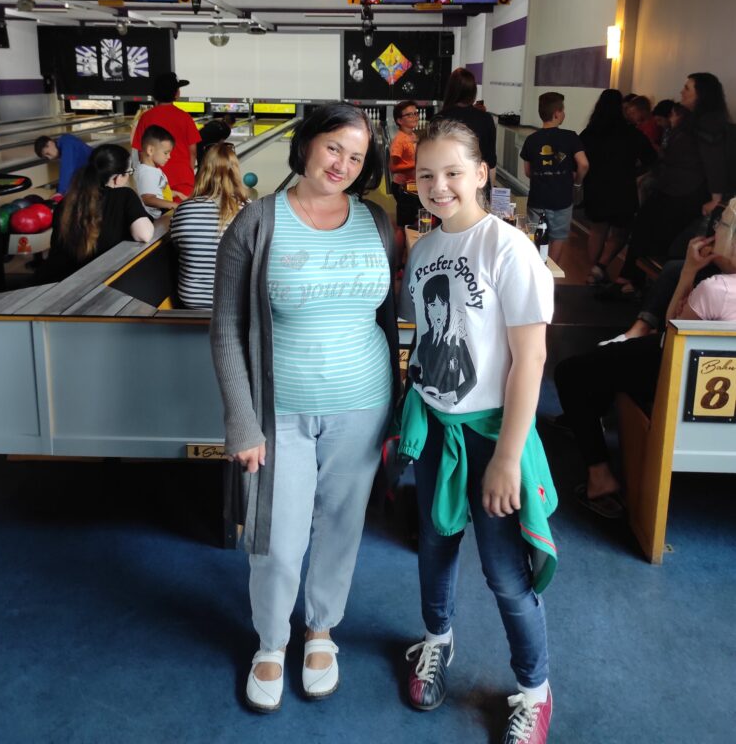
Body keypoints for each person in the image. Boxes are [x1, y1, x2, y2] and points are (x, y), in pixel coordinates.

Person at [209, 103, 400, 713]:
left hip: (363, 405)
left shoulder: (377, 222)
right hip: (280, 412)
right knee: (277, 537)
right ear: (306, 145)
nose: (342, 164)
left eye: (356, 156)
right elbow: (225, 328)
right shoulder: (257, 222)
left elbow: (386, 317)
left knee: (342, 527)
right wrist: (242, 421)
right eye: (333, 147)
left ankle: (320, 629)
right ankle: (271, 640)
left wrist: (397, 409)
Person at [399, 119, 556, 744]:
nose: (438, 186)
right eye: (426, 175)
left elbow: (530, 360)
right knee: (434, 547)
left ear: (482, 174)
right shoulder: (424, 249)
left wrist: (507, 458)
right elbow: (427, 343)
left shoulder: (507, 247)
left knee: (504, 574)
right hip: (437, 429)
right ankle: (435, 639)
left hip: (494, 436)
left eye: (452, 172)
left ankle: (535, 690)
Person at [555, 236, 736, 517]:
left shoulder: (718, 290)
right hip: (721, 404)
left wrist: (689, 270)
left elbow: (672, 337)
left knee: (570, 372)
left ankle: (600, 477)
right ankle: (588, 413)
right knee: (614, 360)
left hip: (684, 388)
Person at [615, 72, 729, 292]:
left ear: (701, 94)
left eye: (687, 88)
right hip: (671, 187)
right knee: (644, 227)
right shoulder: (692, 120)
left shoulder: (708, 123)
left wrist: (716, 199)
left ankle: (636, 283)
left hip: (685, 192)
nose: (681, 92)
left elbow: (714, 162)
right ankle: (631, 280)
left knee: (655, 233)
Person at [36, 144, 153, 282]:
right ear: (117, 178)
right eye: (129, 172)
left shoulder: (65, 203)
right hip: (92, 285)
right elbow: (144, 234)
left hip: (56, 282)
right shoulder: (124, 195)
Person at [579, 89, 657, 284]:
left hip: (595, 187)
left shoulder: (589, 133)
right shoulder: (631, 133)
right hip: (622, 188)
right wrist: (635, 172)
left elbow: (580, 161)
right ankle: (601, 266)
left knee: (597, 231)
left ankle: (593, 271)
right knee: (622, 231)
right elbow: (651, 159)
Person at [169, 141, 249, 308]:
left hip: (192, 299)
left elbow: (177, 246)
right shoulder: (250, 210)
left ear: (202, 171)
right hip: (235, 300)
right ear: (235, 172)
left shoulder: (184, 208)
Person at [520, 92, 589, 267]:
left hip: (537, 199)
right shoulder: (571, 137)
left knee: (535, 237)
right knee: (558, 237)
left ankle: (533, 273)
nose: (564, 114)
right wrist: (577, 182)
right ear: (557, 113)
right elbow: (584, 164)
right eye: (563, 110)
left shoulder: (531, 140)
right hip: (562, 199)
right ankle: (548, 275)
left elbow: (527, 172)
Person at [131, 72, 201, 197]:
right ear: (176, 93)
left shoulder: (146, 118)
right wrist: (189, 172)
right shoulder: (185, 117)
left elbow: (141, 152)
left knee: (158, 210)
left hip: (155, 180)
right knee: (181, 209)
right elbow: (193, 151)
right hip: (183, 178)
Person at [437, 68, 497, 184]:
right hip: (477, 184)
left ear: (450, 90)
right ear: (473, 91)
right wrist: (491, 189)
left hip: (448, 183)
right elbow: (491, 161)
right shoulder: (486, 119)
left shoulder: (439, 119)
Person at [135, 125, 183, 218]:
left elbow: (159, 191)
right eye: (166, 153)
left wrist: (176, 193)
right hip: (155, 219)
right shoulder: (147, 172)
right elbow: (148, 199)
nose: (169, 157)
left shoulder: (152, 169)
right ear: (150, 150)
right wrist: (174, 205)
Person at [389, 99, 421, 236]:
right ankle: (400, 248)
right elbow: (393, 167)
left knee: (414, 222)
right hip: (402, 187)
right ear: (399, 120)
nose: (414, 117)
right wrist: (418, 165)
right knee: (405, 225)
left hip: (411, 186)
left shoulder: (412, 135)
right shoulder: (399, 140)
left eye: (416, 113)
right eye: (409, 114)